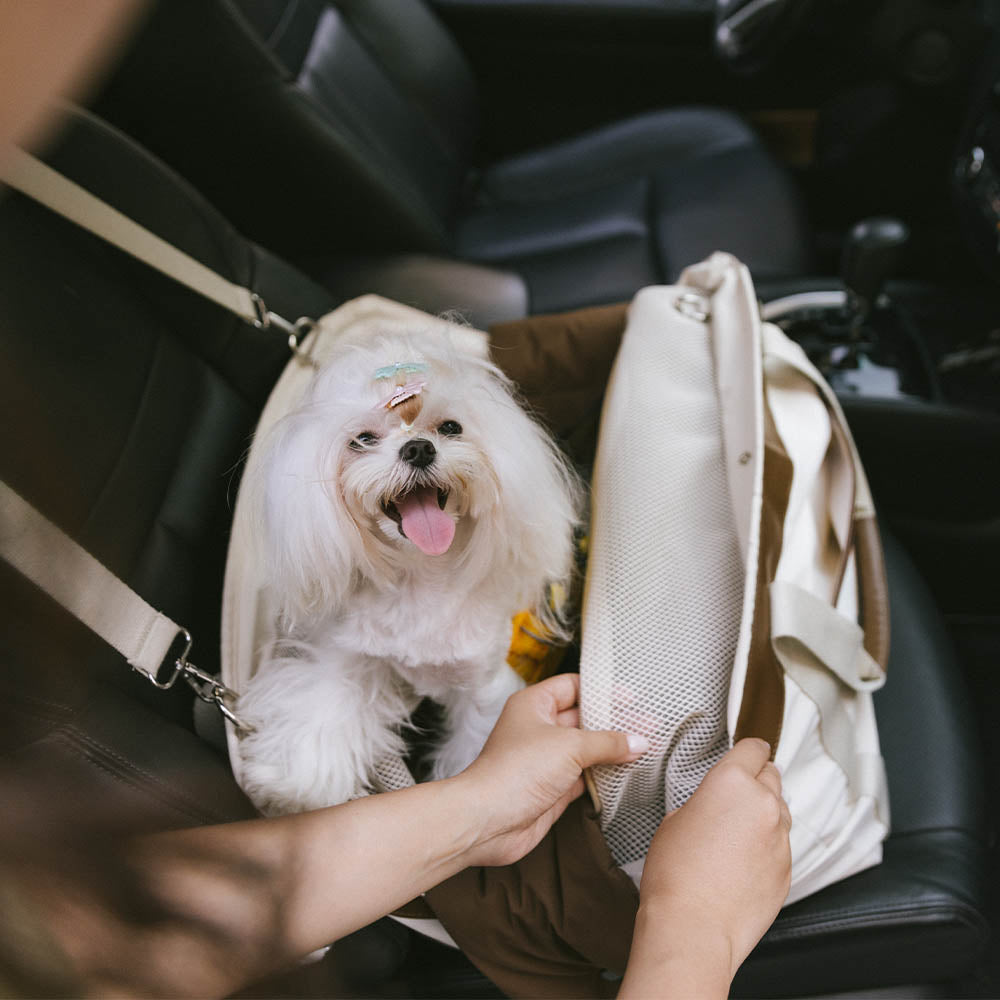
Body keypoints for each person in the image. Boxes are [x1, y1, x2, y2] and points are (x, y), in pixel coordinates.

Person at [0, 4, 791, 997]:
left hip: (490, 649)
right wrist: (691, 933)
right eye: (369, 444)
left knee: (496, 678)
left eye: (441, 433)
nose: (414, 449)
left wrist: (482, 794)